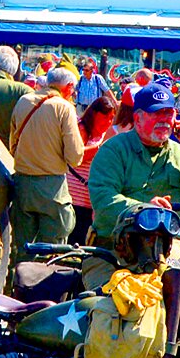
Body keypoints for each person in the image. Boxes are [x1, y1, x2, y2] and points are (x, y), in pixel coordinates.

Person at [86, 81, 180, 288]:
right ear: (137, 118)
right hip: (114, 252)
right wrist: (144, 209)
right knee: (110, 305)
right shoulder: (114, 150)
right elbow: (103, 199)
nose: (164, 120)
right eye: (156, 113)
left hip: (166, 250)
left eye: (169, 113)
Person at [8, 67, 85, 264]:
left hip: (22, 184)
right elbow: (75, 156)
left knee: (22, 250)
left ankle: (16, 290)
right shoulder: (64, 107)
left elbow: (12, 144)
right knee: (53, 253)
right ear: (68, 87)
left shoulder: (24, 101)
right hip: (52, 189)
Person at [66, 95, 116, 246]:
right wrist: (100, 148)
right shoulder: (81, 129)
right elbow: (77, 157)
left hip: (91, 202)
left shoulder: (106, 135)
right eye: (105, 117)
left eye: (111, 118)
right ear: (94, 114)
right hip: (74, 199)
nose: (108, 122)